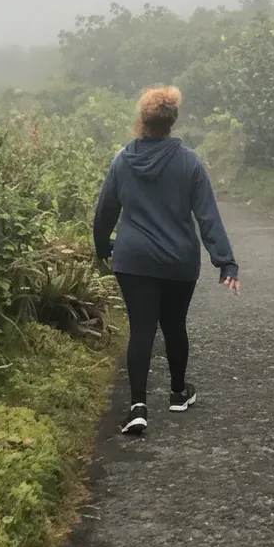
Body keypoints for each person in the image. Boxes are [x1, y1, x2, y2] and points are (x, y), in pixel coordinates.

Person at [93, 86, 240, 436]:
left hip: (133, 260)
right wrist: (225, 262)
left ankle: (138, 407)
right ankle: (177, 393)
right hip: (178, 260)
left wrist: (102, 247)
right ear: (172, 121)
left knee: (141, 329)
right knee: (174, 325)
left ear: (142, 119)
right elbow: (207, 217)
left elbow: (105, 212)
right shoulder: (190, 163)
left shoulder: (122, 161)